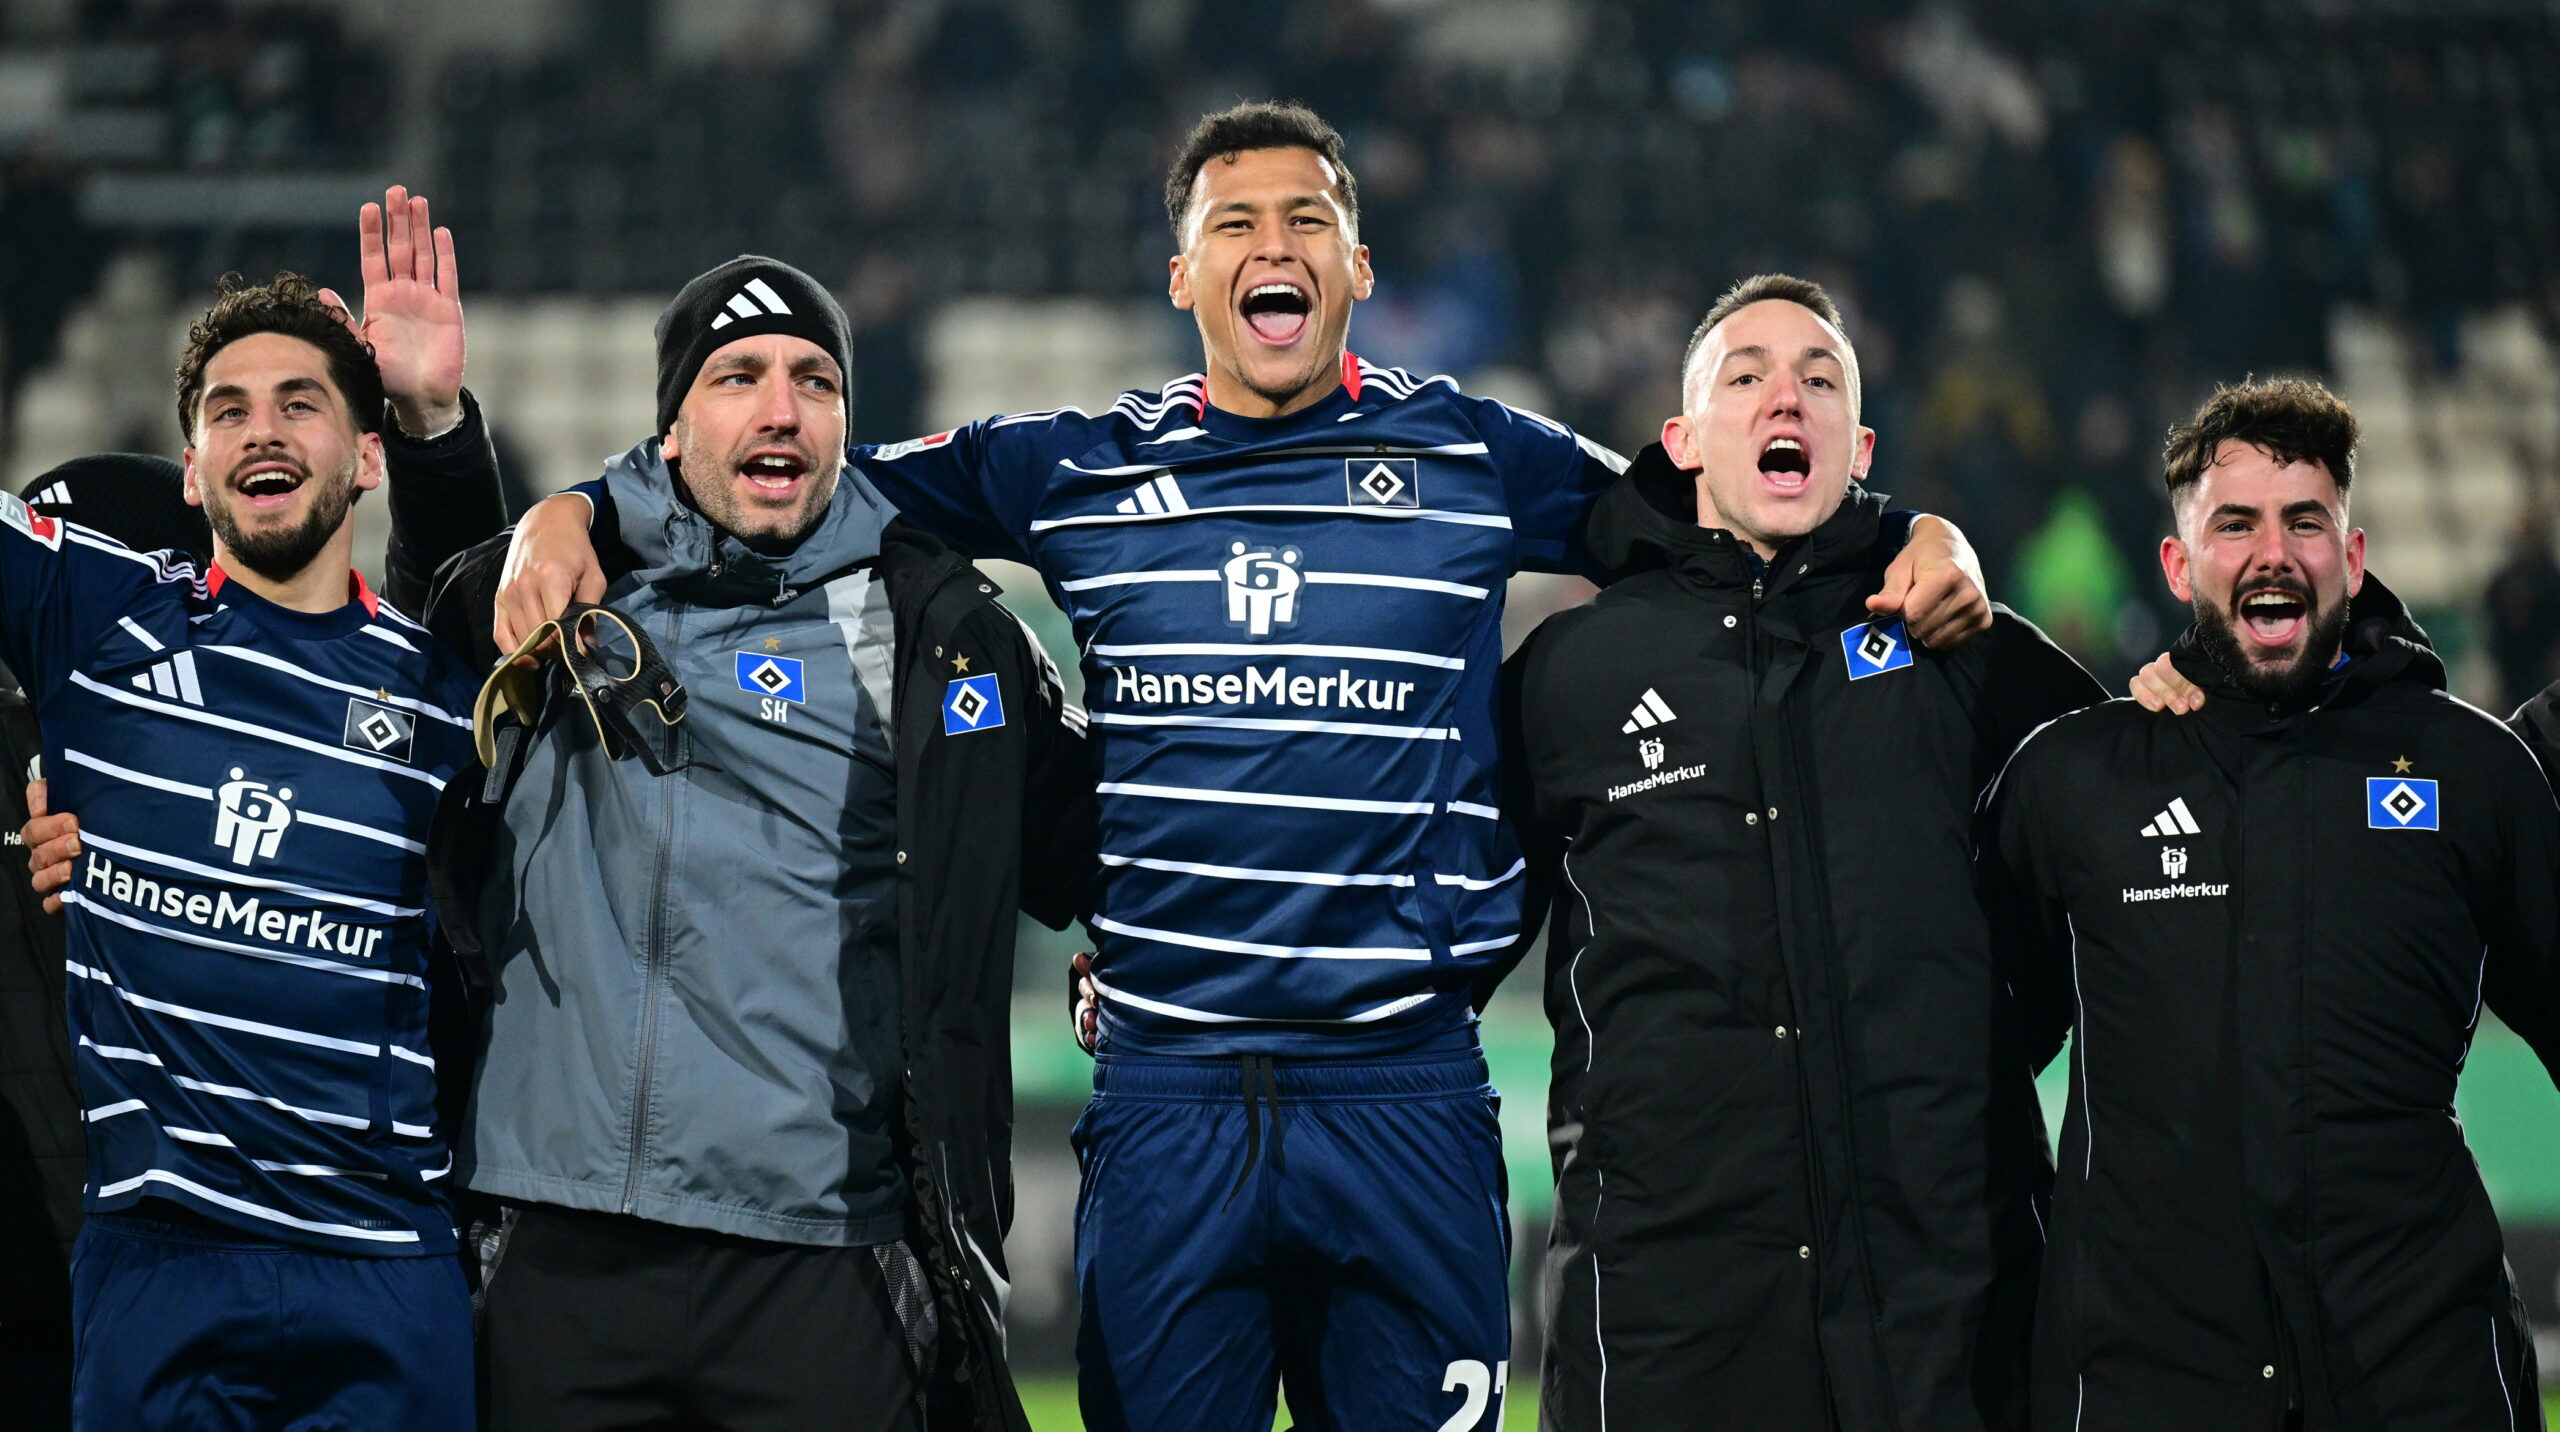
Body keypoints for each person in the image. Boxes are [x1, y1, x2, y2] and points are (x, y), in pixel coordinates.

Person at [496, 102, 1992, 1432]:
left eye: (1307, 222)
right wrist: (576, 512)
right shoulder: (1067, 467)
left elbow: (1723, 499)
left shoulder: (1480, 457)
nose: (1272, 246)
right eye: (1234, 225)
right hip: (1171, 1100)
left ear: (1355, 269)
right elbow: (799, 478)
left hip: (1401, 1089)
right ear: (1184, 276)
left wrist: (1918, 534)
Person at [413, 254, 1092, 1432]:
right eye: (738, 377)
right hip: (557, 1241)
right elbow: (391, 667)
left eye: (815, 381)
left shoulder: (941, 635)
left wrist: (1153, 963)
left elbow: (1106, 845)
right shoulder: (565, 589)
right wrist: (444, 444)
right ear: (672, 431)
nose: (781, 408)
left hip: (824, 1251)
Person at [1500, 275, 2103, 1431]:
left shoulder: (1959, 641)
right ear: (1681, 441)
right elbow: (1430, 913)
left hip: (1945, 1292)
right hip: (1668, 1299)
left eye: (1820, 380)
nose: (1789, 395)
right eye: (1748, 376)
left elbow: (2141, 841)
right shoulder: (1568, 676)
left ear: (1858, 443)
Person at [1979, 377, 2560, 1427]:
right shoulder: (2074, 780)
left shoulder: (2472, 776)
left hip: (2420, 1378)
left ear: (2352, 555)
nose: (2272, 552)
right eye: (2233, 523)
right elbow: (1966, 1065)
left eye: (2305, 521)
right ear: (2176, 562)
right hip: (2143, 1387)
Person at [0, 273, 486, 1429]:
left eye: (298, 403)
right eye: (227, 409)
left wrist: (435, 420)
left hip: (388, 1259)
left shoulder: (445, 689)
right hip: (160, 1261)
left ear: (365, 457)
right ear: (189, 469)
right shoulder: (103, 620)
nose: (260, 428)